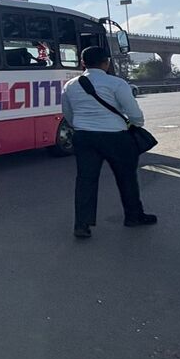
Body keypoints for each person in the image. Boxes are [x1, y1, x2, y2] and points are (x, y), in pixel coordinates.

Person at [60, 46, 156, 238]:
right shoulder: (117, 83)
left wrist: (80, 126)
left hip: (84, 136)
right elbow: (134, 113)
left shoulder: (70, 85)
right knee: (126, 177)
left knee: (85, 180)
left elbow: (68, 114)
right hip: (115, 137)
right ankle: (133, 217)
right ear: (107, 62)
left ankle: (82, 224)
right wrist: (136, 124)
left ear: (82, 63)